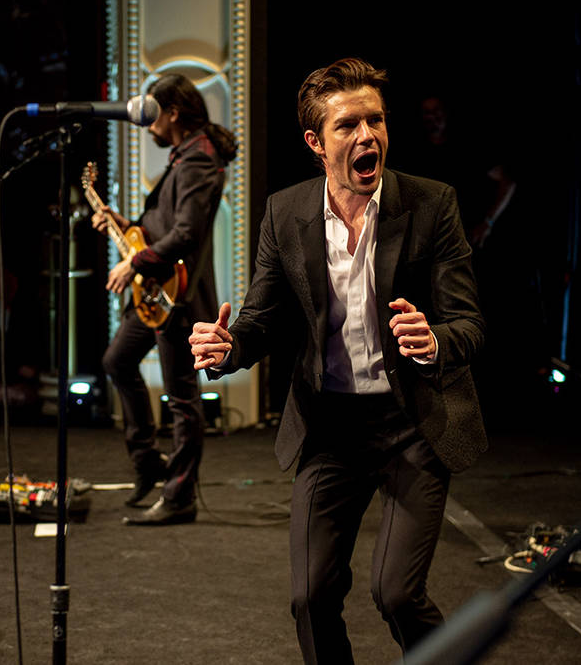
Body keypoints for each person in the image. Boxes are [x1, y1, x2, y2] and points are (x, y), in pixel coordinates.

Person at [189, 58, 486, 662]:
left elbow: (470, 324)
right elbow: (262, 318)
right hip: (330, 428)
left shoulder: (432, 205)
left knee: (396, 594)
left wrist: (435, 341)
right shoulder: (286, 213)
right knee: (310, 596)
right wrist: (229, 349)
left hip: (414, 423)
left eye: (375, 120)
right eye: (348, 125)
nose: (367, 136)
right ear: (316, 143)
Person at [94, 73, 237, 525]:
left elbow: (187, 232)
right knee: (118, 360)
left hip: (178, 295)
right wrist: (122, 223)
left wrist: (133, 264)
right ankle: (148, 463)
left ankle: (179, 497)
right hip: (158, 291)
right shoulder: (184, 157)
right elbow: (164, 224)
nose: (146, 122)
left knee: (181, 397)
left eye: (153, 112)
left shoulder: (198, 159)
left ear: (172, 112)